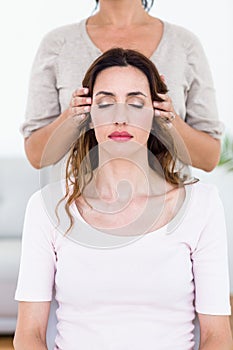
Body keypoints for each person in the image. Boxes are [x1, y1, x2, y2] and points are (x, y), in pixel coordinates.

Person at [14, 48, 232, 350]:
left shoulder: (202, 205)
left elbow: (217, 337)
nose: (120, 118)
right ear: (87, 116)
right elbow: (29, 336)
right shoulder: (46, 207)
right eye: (105, 103)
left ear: (157, 115)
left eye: (136, 103)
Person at [22, 0, 223, 171]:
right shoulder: (58, 44)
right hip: (80, 208)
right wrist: (72, 116)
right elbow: (37, 156)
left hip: (169, 208)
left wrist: (168, 119)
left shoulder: (183, 44)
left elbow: (208, 159)